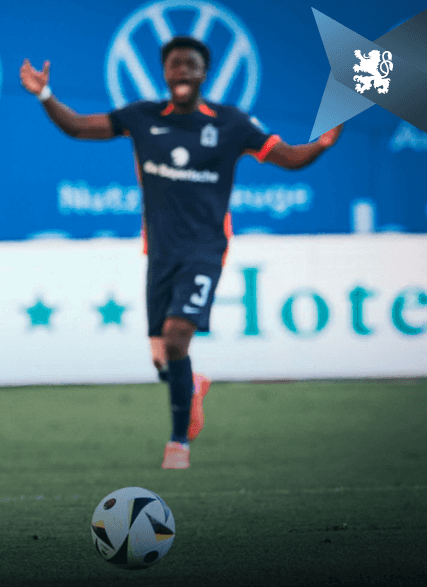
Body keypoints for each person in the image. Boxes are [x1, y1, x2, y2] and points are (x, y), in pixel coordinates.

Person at [20, 36, 342, 469]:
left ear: (204, 73)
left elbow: (286, 157)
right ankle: (192, 387)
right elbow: (78, 126)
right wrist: (44, 94)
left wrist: (320, 146)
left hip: (205, 250)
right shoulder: (142, 117)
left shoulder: (231, 124)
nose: (183, 71)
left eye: (191, 65)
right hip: (160, 254)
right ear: (165, 72)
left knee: (176, 339)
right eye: (175, 64)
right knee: (163, 358)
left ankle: (178, 445)